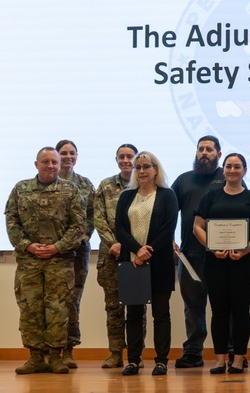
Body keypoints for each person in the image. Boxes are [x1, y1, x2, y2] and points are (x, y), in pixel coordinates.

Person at [5, 147, 85, 374]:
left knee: (58, 310)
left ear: (60, 165)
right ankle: (36, 358)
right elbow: (12, 221)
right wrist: (27, 245)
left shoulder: (70, 190)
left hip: (59, 261)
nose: (50, 166)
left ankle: (55, 358)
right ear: (36, 164)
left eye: (54, 162)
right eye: (45, 161)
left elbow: (78, 225)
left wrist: (57, 247)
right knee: (30, 309)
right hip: (29, 261)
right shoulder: (21, 189)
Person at [194, 154, 250, 374]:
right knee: (218, 311)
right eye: (229, 166)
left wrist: (246, 249)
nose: (232, 170)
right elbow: (197, 227)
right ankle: (219, 360)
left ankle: (238, 359)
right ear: (223, 169)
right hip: (215, 262)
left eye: (237, 166)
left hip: (244, 263)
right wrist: (212, 246)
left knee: (240, 310)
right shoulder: (210, 196)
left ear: (245, 170)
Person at [114, 151, 179, 376]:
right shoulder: (126, 196)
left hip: (158, 264)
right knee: (133, 315)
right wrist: (136, 250)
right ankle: (133, 360)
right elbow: (119, 229)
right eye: (138, 167)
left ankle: (161, 360)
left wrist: (147, 251)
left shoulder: (167, 195)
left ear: (155, 170)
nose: (141, 171)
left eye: (146, 167)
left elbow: (168, 228)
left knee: (161, 314)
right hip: (131, 264)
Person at [171, 135, 228, 368]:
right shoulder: (183, 180)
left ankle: (230, 352)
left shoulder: (229, 177)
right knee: (193, 307)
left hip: (221, 256)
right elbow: (167, 211)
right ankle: (194, 353)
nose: (204, 153)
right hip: (189, 255)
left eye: (209, 149)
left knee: (224, 306)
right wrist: (168, 240)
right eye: (201, 149)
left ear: (219, 154)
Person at [93, 143, 139, 368]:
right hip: (111, 255)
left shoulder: (144, 185)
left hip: (136, 256)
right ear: (116, 159)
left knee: (136, 307)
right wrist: (114, 243)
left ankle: (135, 355)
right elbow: (98, 218)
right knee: (113, 308)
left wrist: (131, 246)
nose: (125, 160)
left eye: (130, 156)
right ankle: (116, 353)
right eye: (121, 156)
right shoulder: (106, 185)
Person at [55, 139, 95, 369]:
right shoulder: (48, 181)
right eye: (64, 153)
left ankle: (68, 350)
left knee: (72, 302)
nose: (68, 157)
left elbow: (91, 218)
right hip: (52, 252)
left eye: (72, 153)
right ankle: (49, 351)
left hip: (77, 252)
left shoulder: (86, 184)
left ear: (77, 156)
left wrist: (76, 240)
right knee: (51, 302)